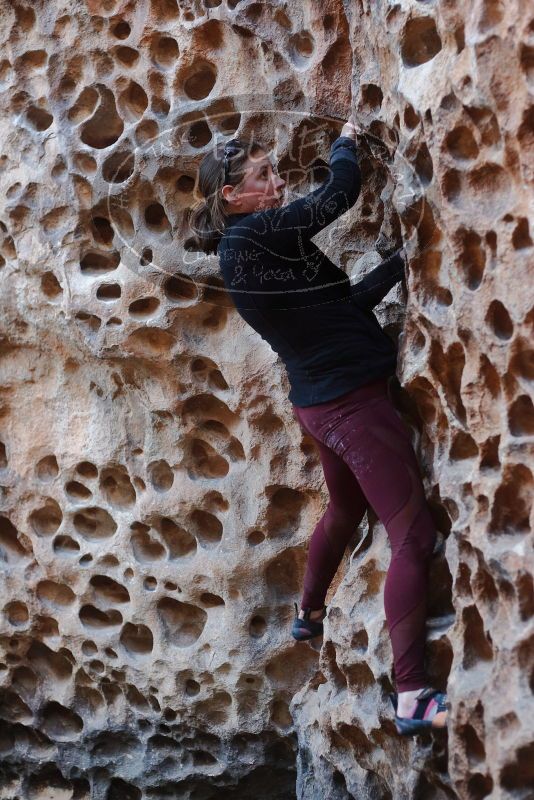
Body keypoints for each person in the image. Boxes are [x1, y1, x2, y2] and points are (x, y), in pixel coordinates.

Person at [187, 116, 449, 736]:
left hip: (319, 402)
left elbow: (337, 310)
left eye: (274, 171)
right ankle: (411, 695)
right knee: (412, 538)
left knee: (347, 506)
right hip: (350, 406)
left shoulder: (255, 246)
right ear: (232, 196)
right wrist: (346, 141)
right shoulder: (253, 237)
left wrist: (401, 265)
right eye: (263, 174)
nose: (277, 182)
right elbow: (339, 195)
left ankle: (308, 613)